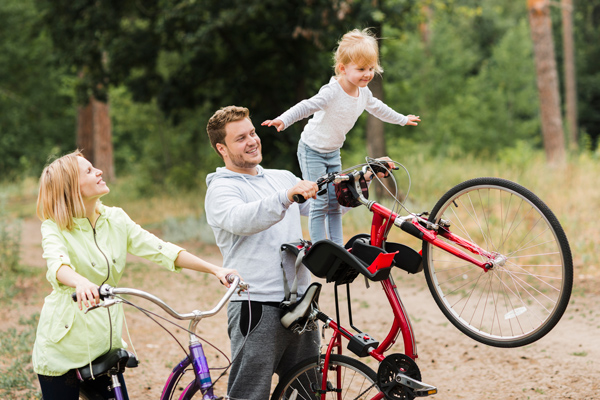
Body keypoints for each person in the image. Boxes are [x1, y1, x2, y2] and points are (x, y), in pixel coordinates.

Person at [32, 150, 239, 400]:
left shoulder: (115, 219)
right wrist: (81, 282)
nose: (98, 171)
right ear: (71, 187)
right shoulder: (54, 226)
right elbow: (57, 264)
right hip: (62, 347)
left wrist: (215, 268)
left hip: (103, 344)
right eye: (88, 171)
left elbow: (160, 248)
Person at [262, 28, 421, 246]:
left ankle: (336, 247)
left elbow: (380, 109)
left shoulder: (363, 93)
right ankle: (320, 248)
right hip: (312, 150)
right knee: (320, 201)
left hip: (333, 152)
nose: (367, 73)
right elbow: (307, 106)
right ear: (343, 68)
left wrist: (402, 119)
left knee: (336, 202)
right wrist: (284, 119)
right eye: (361, 68)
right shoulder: (332, 91)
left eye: (371, 68)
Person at [205, 105, 321, 399]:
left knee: (307, 391)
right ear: (222, 148)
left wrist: (355, 185)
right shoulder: (220, 189)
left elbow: (320, 206)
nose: (253, 140)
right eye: (240, 138)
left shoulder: (281, 176)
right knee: (250, 393)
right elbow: (243, 219)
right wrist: (285, 197)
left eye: (253, 132)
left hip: (300, 302)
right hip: (254, 304)